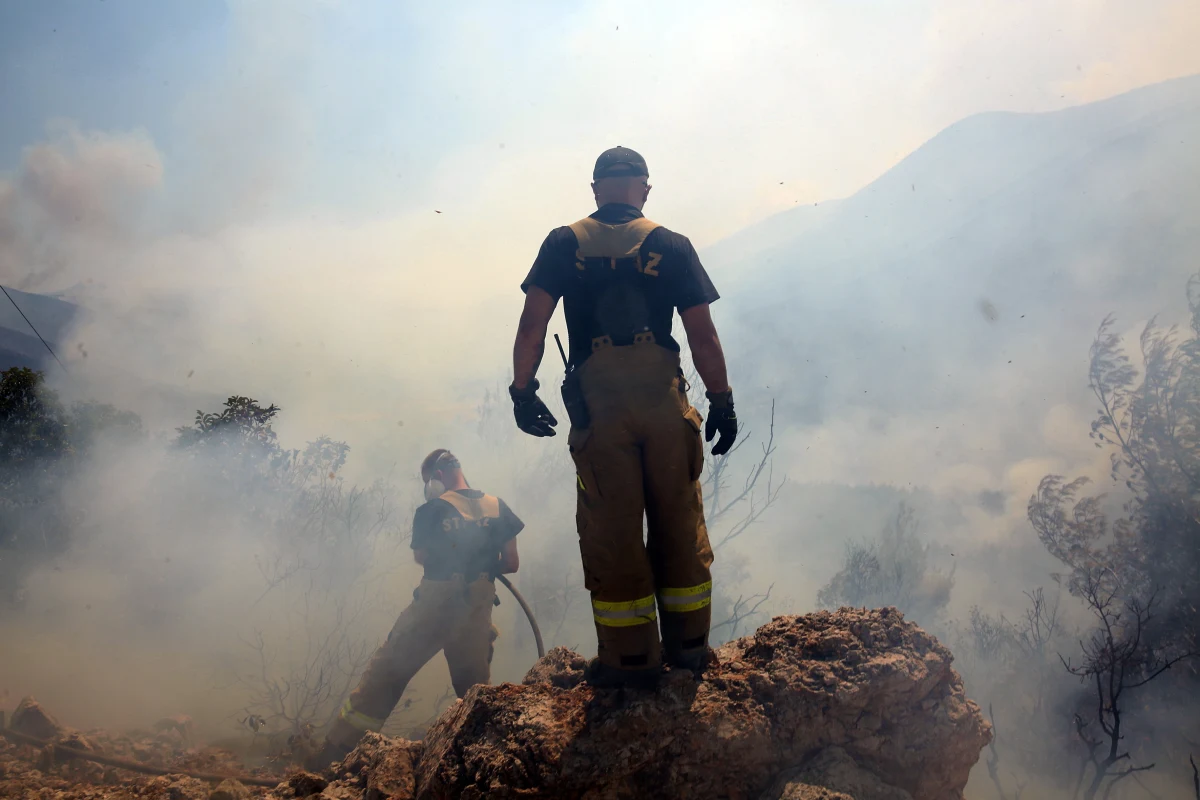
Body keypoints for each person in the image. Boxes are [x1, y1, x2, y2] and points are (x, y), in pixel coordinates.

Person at [507, 146, 738, 688]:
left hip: (600, 405)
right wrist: (722, 399)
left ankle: (629, 661)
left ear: (595, 190)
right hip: (663, 399)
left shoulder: (563, 242)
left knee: (613, 530)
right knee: (679, 521)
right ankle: (687, 651)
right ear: (644, 189)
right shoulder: (671, 245)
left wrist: (522, 391)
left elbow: (530, 326)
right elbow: (702, 335)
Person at [311, 449, 523, 764]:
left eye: (427, 481)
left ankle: (334, 754)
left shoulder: (432, 509)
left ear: (437, 476)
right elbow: (511, 563)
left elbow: (422, 556)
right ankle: (485, 760)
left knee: (387, 672)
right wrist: (479, 560)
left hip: (435, 605)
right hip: (476, 606)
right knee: (474, 692)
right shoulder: (497, 507)